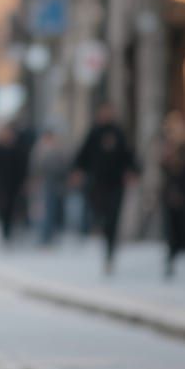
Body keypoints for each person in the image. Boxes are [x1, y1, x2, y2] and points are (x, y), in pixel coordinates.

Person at [72, 102, 138, 273]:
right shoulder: (94, 133)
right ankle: (102, 231)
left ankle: (110, 252)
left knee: (113, 218)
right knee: (101, 214)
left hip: (115, 184)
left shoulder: (119, 132)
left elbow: (129, 155)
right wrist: (78, 171)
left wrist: (132, 171)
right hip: (98, 184)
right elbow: (82, 155)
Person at [0, 123, 29, 243]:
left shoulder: (18, 149)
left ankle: (9, 232)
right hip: (0, 186)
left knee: (12, 209)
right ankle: (4, 232)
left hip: (13, 185)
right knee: (2, 208)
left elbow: (23, 167)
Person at [159, 111, 185, 278]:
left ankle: (179, 250)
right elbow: (162, 168)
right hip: (169, 192)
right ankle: (171, 256)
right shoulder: (166, 146)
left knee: (182, 225)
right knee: (170, 227)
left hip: (184, 191)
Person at [29, 126, 71, 245]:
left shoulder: (58, 150)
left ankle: (50, 235)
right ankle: (43, 236)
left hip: (55, 184)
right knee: (42, 211)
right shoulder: (39, 150)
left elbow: (64, 166)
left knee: (53, 210)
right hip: (43, 184)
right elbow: (34, 167)